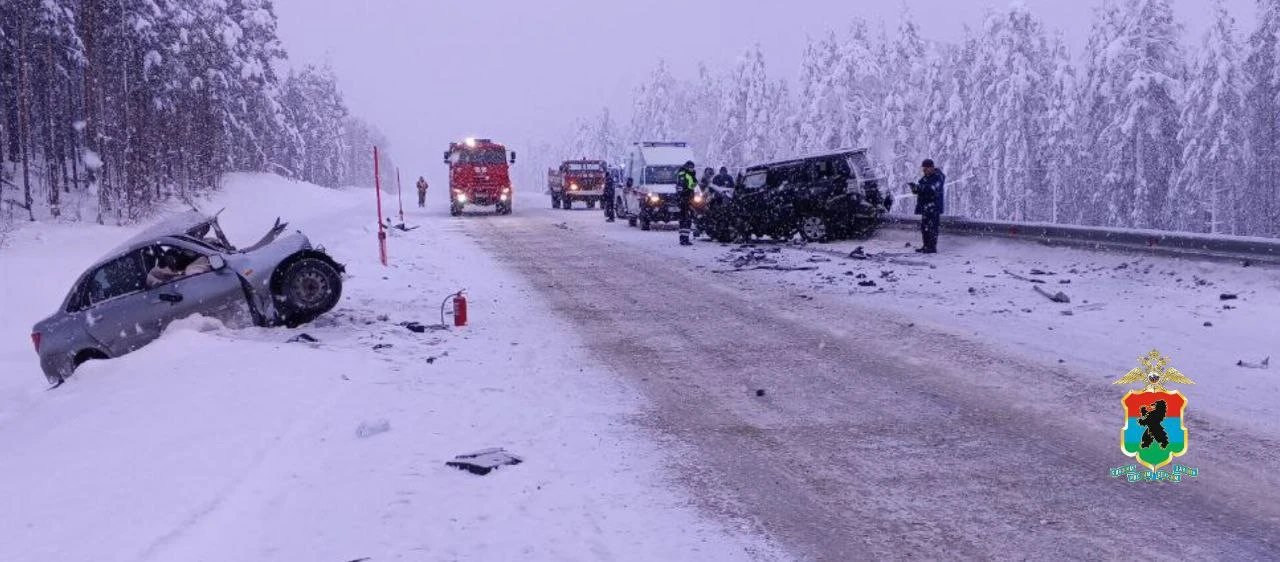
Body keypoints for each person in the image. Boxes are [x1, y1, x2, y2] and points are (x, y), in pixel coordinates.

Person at [909, 159, 946, 254]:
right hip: (925, 207)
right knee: (924, 227)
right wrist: (914, 188)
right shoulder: (924, 178)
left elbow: (932, 189)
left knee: (932, 227)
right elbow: (921, 190)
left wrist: (920, 188)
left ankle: (932, 247)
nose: (924, 171)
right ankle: (925, 245)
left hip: (933, 207)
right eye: (923, 169)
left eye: (926, 169)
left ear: (931, 168)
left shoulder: (938, 178)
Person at [675, 161, 698, 246]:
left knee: (685, 219)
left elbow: (692, 185)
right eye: (690, 167)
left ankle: (684, 238)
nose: (692, 169)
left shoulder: (687, 174)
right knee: (686, 220)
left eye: (692, 167)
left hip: (686, 199)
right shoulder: (684, 174)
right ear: (687, 167)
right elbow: (688, 187)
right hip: (685, 200)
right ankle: (684, 239)